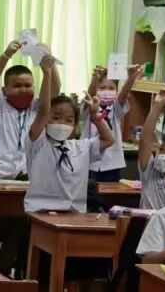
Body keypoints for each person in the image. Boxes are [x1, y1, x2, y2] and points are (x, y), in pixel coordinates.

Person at [25, 60, 114, 215]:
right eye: (56, 117)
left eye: (69, 120)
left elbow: (108, 140)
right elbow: (43, 111)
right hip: (41, 210)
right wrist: (47, 74)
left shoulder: (80, 147)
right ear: (47, 119)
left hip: (74, 213)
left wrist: (96, 117)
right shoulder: (38, 143)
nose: (62, 123)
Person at [0, 41, 52, 180]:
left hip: (28, 175)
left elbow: (54, 88)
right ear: (4, 90)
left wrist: (49, 64)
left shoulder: (37, 107)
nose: (23, 90)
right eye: (17, 86)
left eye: (28, 85)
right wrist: (6, 55)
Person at [84, 63, 139, 181]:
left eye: (111, 88)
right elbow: (90, 95)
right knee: (89, 190)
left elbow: (123, 96)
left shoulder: (115, 108)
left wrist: (131, 77)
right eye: (102, 88)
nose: (106, 91)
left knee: (109, 190)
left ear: (116, 91)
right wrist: (95, 78)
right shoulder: (89, 108)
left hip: (111, 164)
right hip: (88, 162)